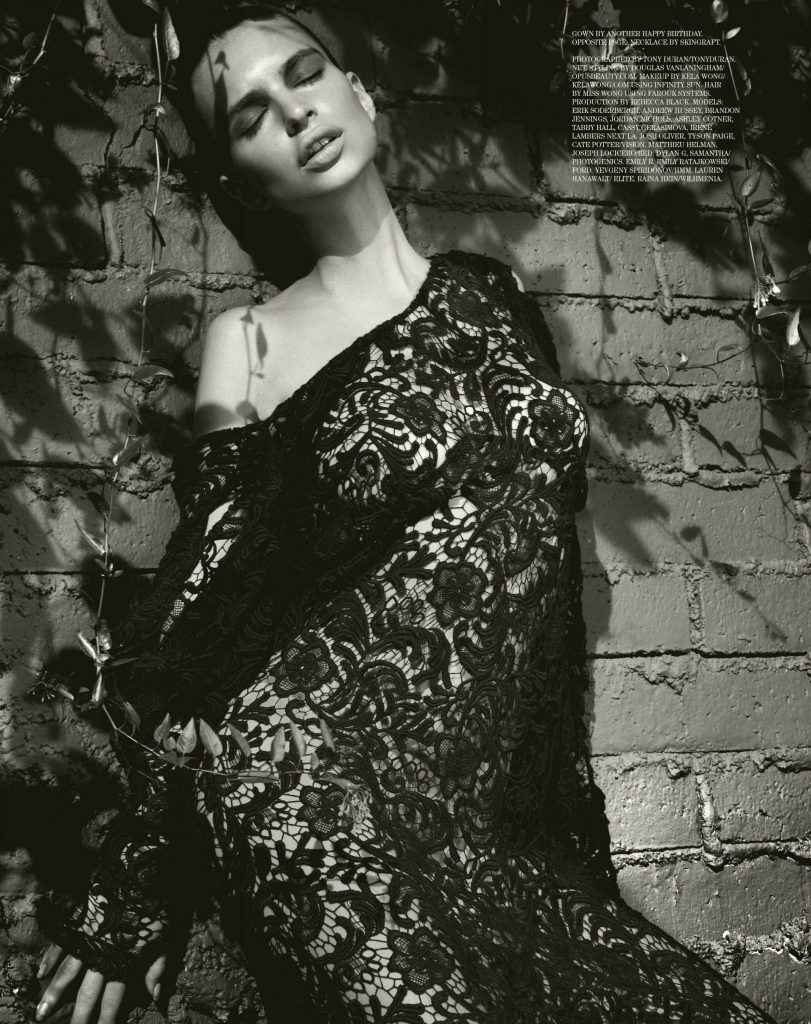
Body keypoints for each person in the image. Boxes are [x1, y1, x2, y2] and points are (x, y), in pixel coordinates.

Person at [34, 4, 779, 1023]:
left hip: (501, 830)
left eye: (304, 75)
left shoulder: (493, 297)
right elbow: (206, 595)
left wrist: (566, 836)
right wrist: (136, 880)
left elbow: (550, 615)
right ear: (241, 178)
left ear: (360, 95)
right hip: (313, 797)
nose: (294, 114)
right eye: (250, 116)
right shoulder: (248, 339)